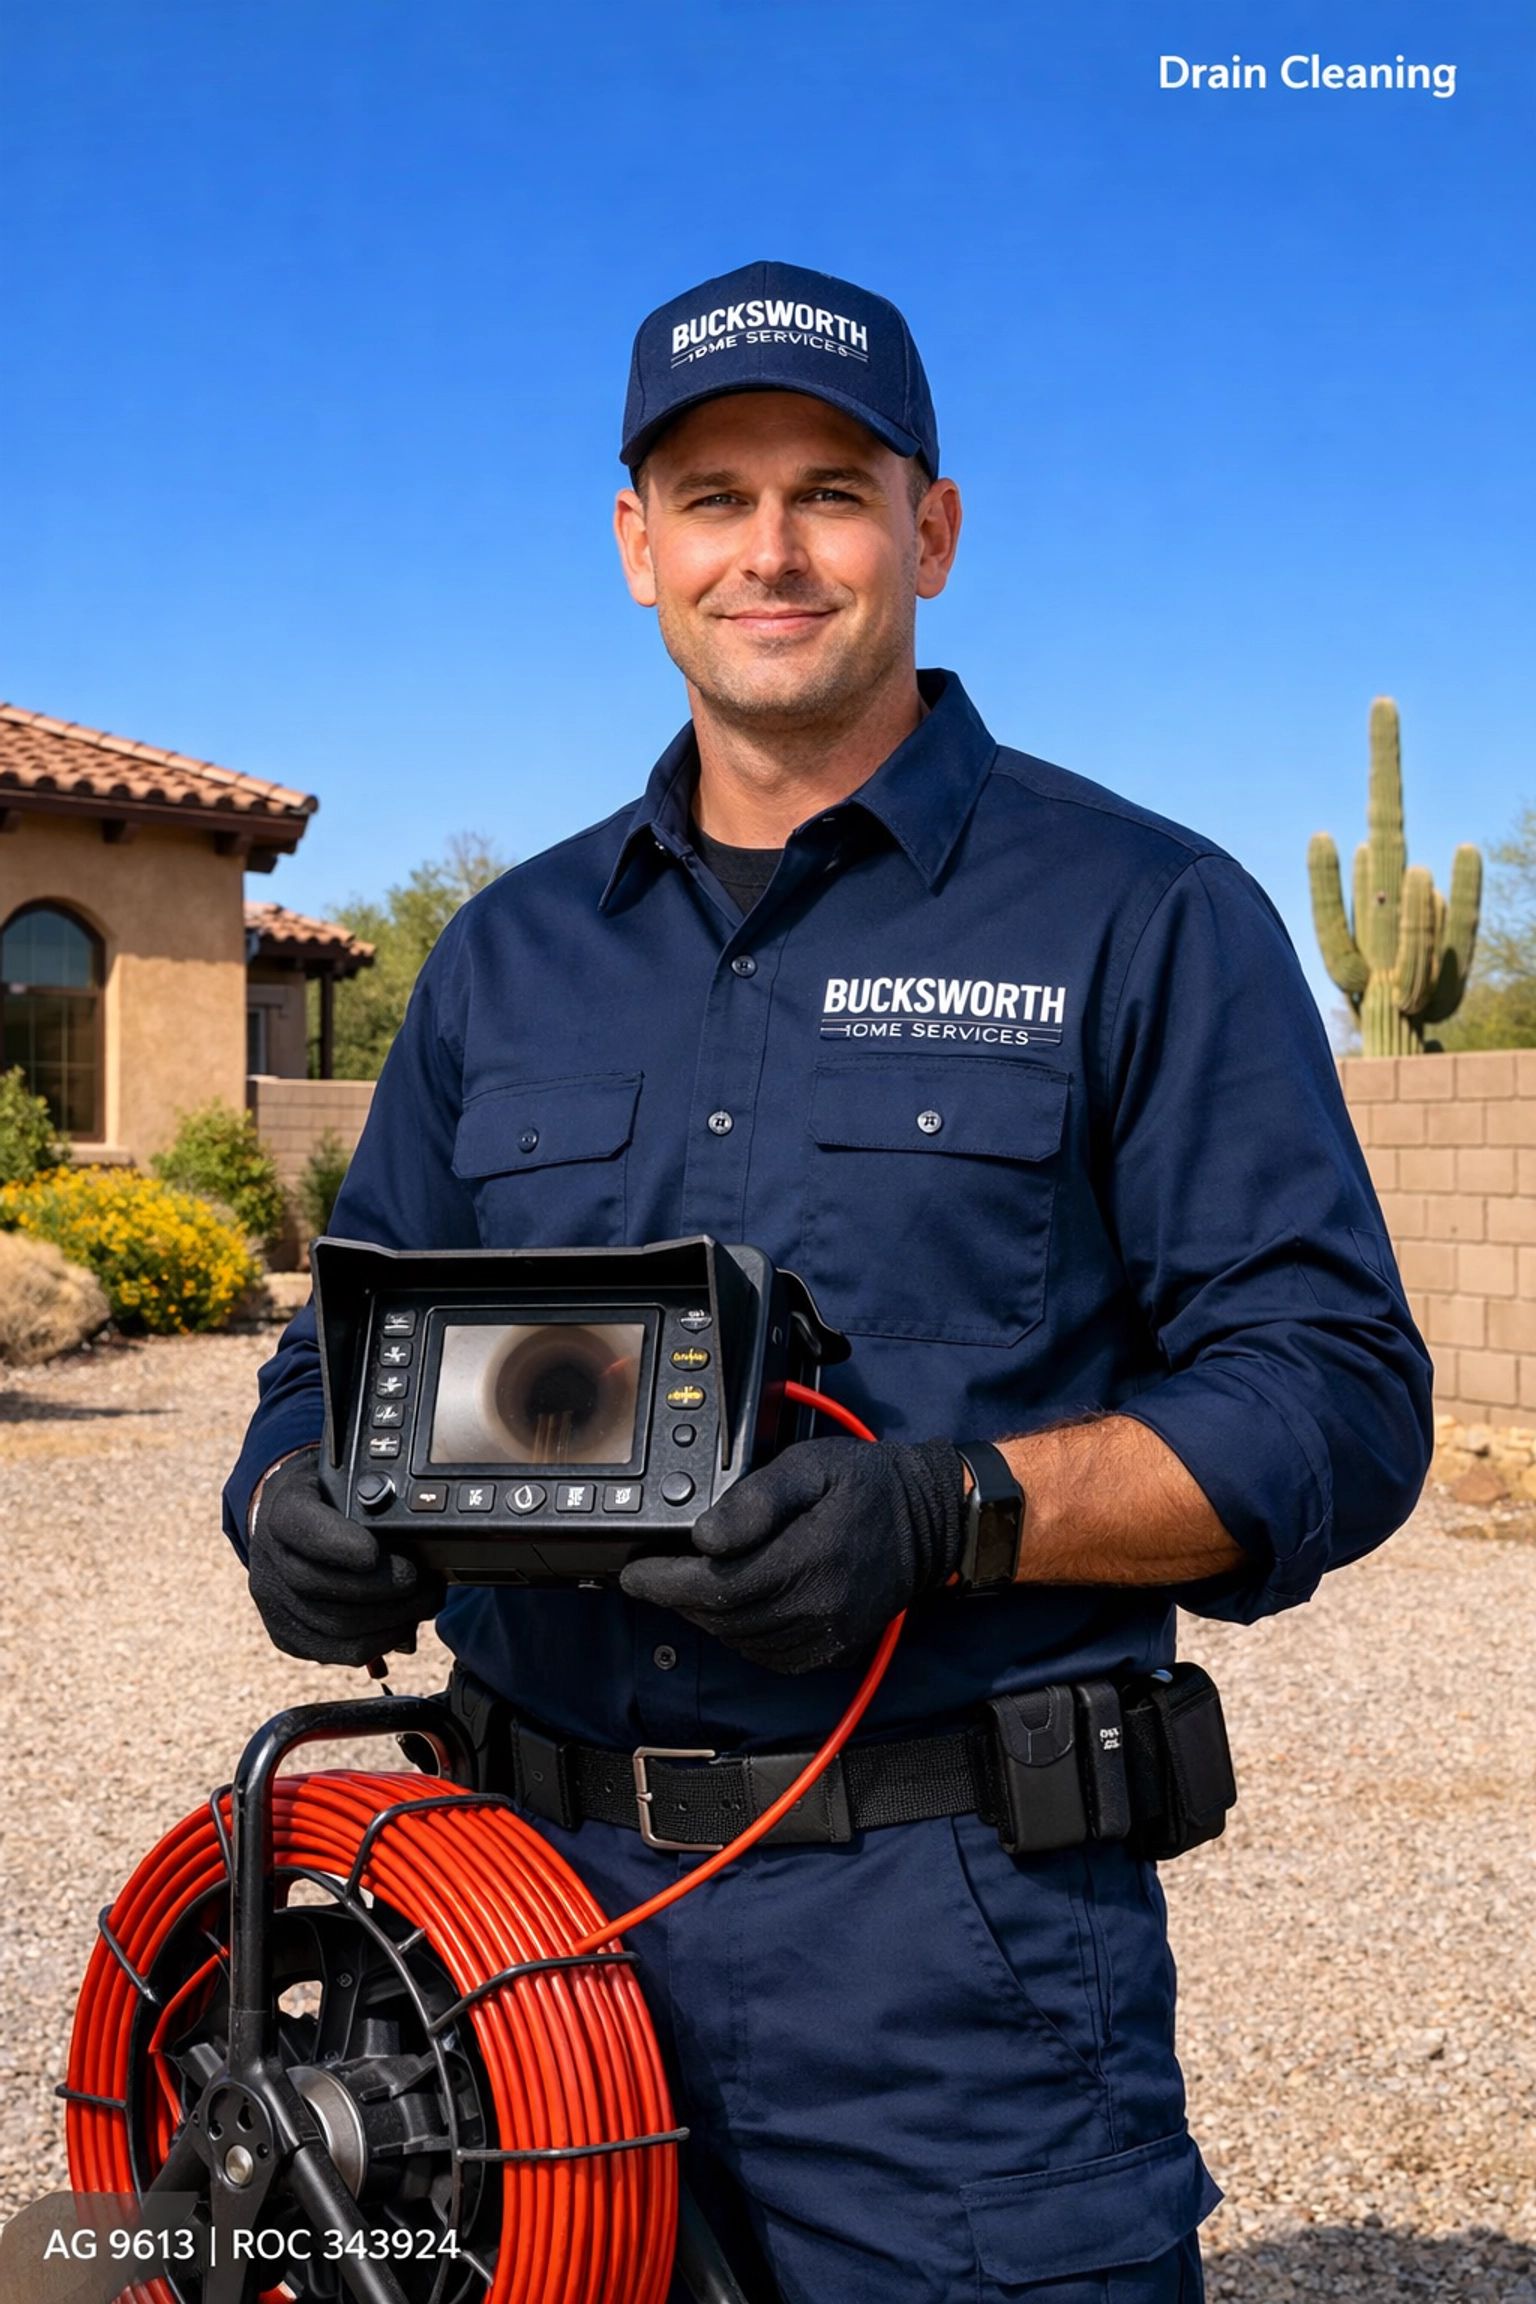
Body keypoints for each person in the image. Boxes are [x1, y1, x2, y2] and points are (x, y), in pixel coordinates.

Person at [225, 259, 1433, 2304]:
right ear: (635, 545)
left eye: (830, 489)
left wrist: (950, 1514)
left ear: (931, 532)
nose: (768, 549)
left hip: (953, 1991)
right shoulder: (510, 956)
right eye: (710, 492)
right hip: (508, 1946)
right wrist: (291, 1508)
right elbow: (321, 1358)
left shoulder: (1145, 914)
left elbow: (1333, 1394)